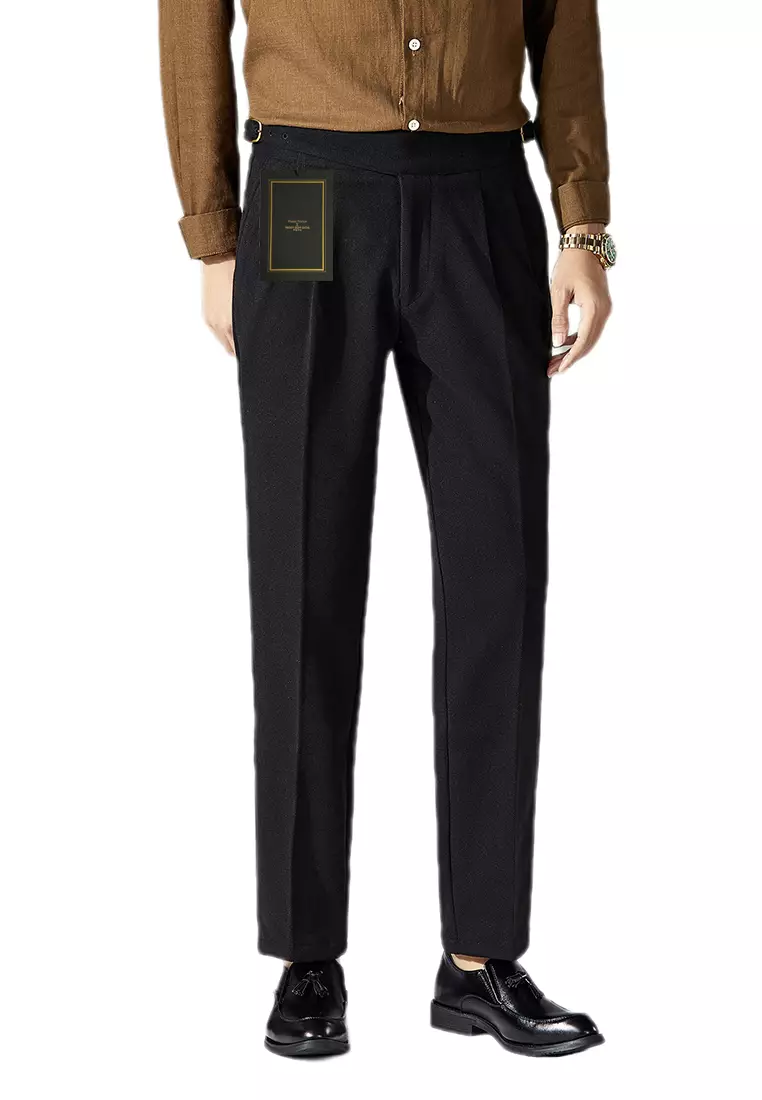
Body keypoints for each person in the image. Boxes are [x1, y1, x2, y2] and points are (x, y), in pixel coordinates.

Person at [158, 0, 614, 1059]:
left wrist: (583, 223)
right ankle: (306, 955)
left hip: (483, 193)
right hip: (304, 191)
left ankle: (481, 959)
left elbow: (567, 21)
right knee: (303, 579)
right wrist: (212, 232)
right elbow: (191, 19)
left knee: (499, 577)